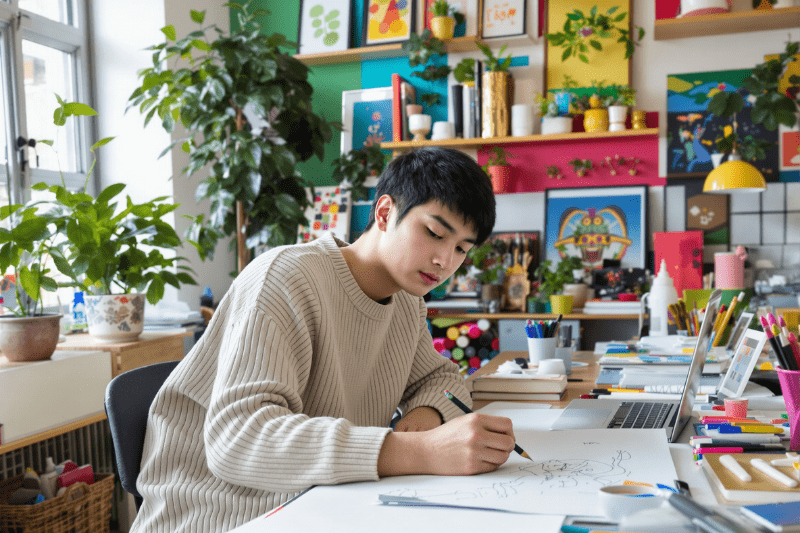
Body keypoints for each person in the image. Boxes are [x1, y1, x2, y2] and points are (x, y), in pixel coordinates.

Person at [130, 147, 516, 533]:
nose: (445, 261)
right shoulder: (286, 278)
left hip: (322, 503)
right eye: (434, 233)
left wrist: (424, 419)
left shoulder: (406, 301)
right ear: (385, 213)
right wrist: (418, 451)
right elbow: (238, 440)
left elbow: (442, 380)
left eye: (461, 248)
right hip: (224, 514)